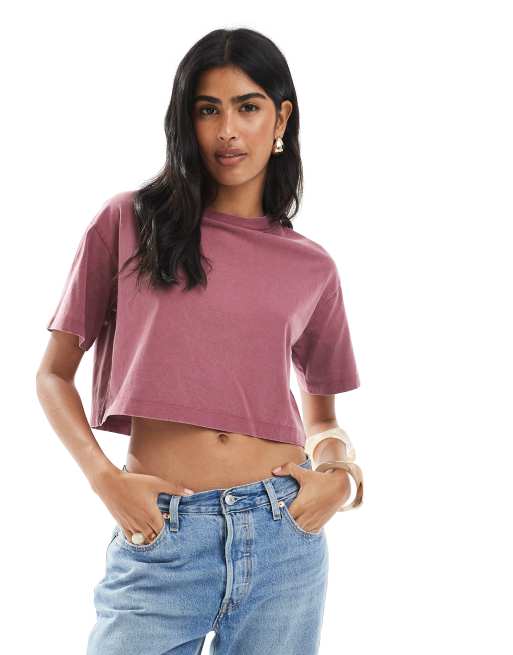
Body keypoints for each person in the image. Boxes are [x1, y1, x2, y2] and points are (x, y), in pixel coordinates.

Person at [36, 27, 363, 655]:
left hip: (284, 537)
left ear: (281, 119)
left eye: (247, 107)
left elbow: (322, 418)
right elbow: (53, 374)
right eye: (208, 109)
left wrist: (339, 475)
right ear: (186, 121)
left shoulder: (312, 266)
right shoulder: (128, 222)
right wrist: (104, 480)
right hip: (162, 534)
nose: (227, 131)